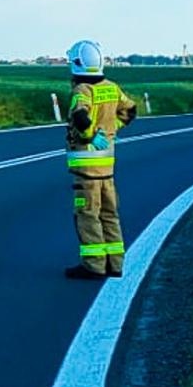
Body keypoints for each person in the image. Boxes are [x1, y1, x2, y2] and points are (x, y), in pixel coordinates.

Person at [64, 40, 138, 280]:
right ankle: (115, 264)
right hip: (107, 166)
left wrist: (90, 135)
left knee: (87, 214)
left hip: (86, 167)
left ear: (77, 65)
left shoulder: (82, 91)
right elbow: (131, 110)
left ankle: (94, 265)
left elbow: (80, 116)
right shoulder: (112, 87)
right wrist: (111, 130)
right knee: (109, 214)